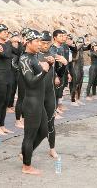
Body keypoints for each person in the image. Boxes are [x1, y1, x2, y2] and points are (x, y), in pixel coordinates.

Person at [19, 30, 49, 175]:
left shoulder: (34, 56)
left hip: (39, 102)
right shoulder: (25, 59)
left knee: (43, 131)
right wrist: (44, 71)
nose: (39, 44)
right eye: (37, 41)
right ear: (29, 42)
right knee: (29, 135)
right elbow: (30, 82)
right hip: (31, 102)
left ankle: (25, 153)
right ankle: (26, 166)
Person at [38, 30, 67, 159]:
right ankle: (27, 150)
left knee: (51, 123)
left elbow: (59, 75)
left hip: (50, 94)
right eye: (43, 43)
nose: (45, 45)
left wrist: (64, 65)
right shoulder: (34, 55)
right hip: (36, 94)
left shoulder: (53, 55)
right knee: (34, 125)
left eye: (47, 43)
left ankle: (52, 148)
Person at [0, 24, 17, 135]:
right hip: (0, 77)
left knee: (6, 102)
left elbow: (18, 52)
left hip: (9, 76)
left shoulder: (7, 44)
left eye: (7, 31)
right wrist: (9, 42)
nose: (6, 33)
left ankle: (2, 125)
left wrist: (20, 42)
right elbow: (7, 54)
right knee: (0, 103)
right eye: (3, 32)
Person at [14, 28, 28, 128]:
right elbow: (17, 56)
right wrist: (21, 44)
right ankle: (18, 120)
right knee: (21, 98)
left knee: (27, 98)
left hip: (28, 74)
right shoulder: (20, 46)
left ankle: (24, 118)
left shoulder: (31, 46)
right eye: (26, 36)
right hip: (21, 75)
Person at [7, 31, 20, 113]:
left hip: (16, 72)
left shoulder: (19, 50)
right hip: (9, 72)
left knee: (14, 89)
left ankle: (11, 105)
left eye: (17, 42)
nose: (16, 44)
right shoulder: (9, 50)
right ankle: (8, 106)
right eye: (14, 42)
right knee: (10, 89)